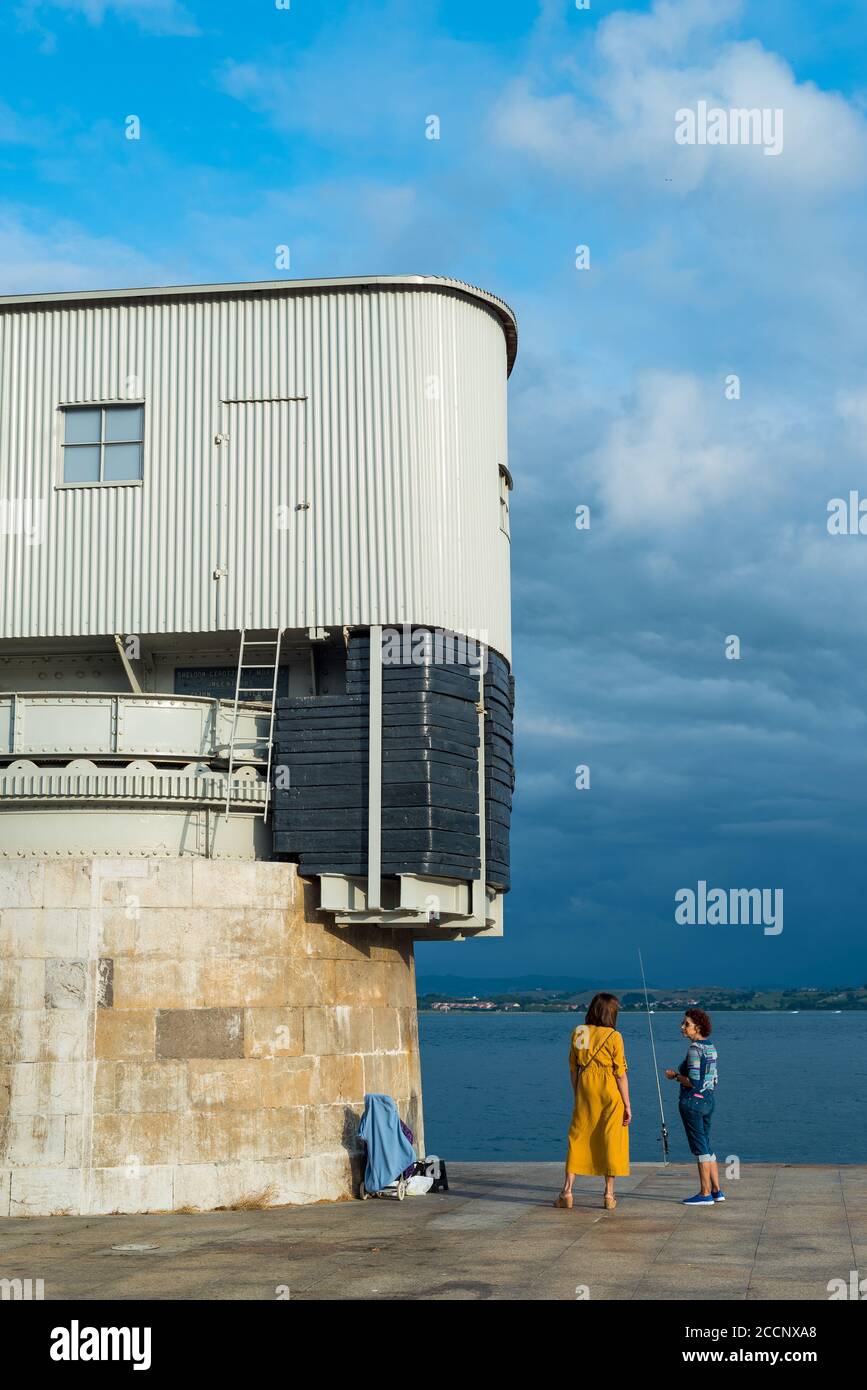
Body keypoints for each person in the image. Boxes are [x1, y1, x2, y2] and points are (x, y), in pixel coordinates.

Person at [554, 992, 631, 1211]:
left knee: (577, 1136)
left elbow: (573, 1067)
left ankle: (567, 1191)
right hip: (609, 1090)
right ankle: (608, 1194)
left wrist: (578, 1093)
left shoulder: (580, 1031)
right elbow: (620, 1074)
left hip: (585, 1088)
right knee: (611, 1138)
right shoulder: (614, 1036)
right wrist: (627, 1104)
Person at [665, 1008, 724, 1206]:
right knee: (706, 1144)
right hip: (709, 1100)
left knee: (700, 1149)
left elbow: (694, 1082)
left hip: (693, 1102)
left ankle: (705, 1193)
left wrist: (675, 1077)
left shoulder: (694, 1049)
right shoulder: (711, 1047)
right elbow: (713, 1079)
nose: (682, 1027)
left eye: (686, 1024)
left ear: (697, 1027)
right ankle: (716, 1190)